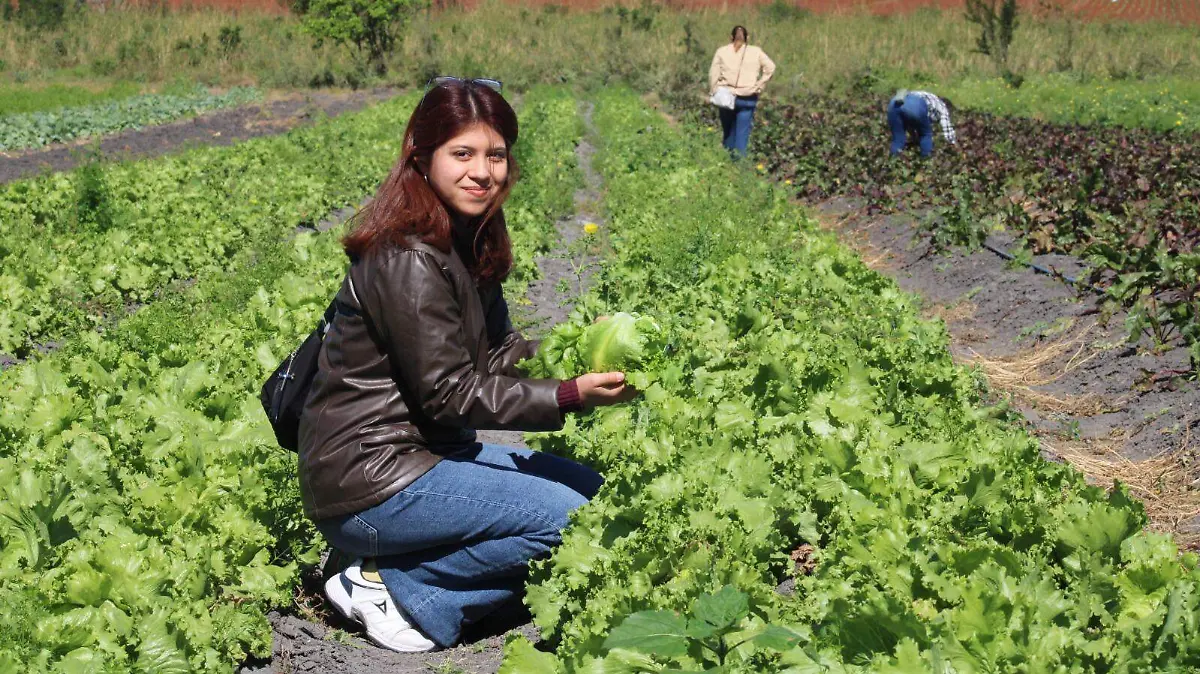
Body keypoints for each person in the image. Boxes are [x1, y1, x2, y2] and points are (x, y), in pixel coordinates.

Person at [297, 77, 637, 653]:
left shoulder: (464, 239)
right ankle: (396, 585)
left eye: (496, 155)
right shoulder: (406, 257)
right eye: (463, 154)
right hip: (371, 479)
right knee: (573, 521)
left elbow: (499, 353)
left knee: (598, 498)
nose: (484, 171)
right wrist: (566, 395)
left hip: (424, 459)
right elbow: (449, 395)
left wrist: (582, 356)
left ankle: (392, 561)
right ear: (422, 157)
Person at [709, 25, 776, 158]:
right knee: (742, 133)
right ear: (748, 38)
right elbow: (771, 67)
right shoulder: (756, 51)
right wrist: (759, 86)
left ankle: (727, 160)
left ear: (731, 37)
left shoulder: (722, 51)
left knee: (728, 131)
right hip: (747, 96)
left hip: (726, 95)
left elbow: (713, 74)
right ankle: (739, 164)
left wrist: (713, 90)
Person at [888, 89, 957, 158]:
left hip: (894, 103)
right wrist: (953, 146)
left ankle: (892, 161)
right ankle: (925, 161)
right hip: (914, 104)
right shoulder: (943, 107)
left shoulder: (929, 97)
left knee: (898, 139)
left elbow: (910, 121)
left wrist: (914, 137)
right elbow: (947, 132)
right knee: (926, 135)